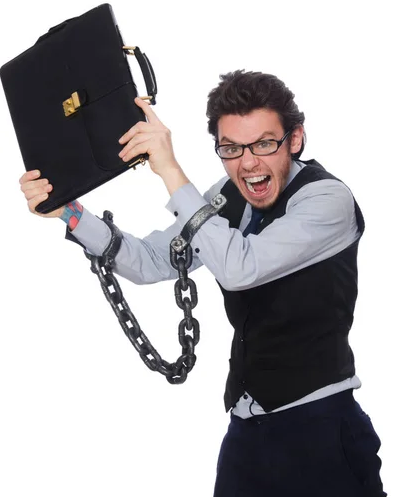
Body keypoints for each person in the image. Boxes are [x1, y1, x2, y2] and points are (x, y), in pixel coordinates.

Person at [19, 70, 386, 496]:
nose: (248, 163)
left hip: (322, 431)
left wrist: (170, 170)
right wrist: (70, 212)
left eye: (265, 143)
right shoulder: (230, 196)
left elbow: (239, 267)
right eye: (231, 149)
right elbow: (155, 260)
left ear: (296, 138)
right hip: (247, 430)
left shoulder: (327, 201)